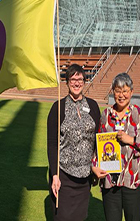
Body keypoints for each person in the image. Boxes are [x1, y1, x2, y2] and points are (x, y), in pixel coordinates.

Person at [92, 73, 140, 221]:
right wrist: (94, 166)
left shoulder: (138, 114)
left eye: (125, 91)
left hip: (132, 180)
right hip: (110, 180)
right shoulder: (106, 115)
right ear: (113, 92)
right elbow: (98, 146)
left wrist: (132, 140)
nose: (121, 95)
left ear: (131, 92)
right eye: (117, 91)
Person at [47, 64, 101, 221]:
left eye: (80, 79)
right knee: (62, 217)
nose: (77, 83)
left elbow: (98, 138)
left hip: (85, 178)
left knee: (80, 217)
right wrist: (54, 175)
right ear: (67, 82)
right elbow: (52, 144)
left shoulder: (93, 106)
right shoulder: (58, 107)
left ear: (84, 81)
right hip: (63, 176)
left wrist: (97, 165)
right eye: (73, 79)